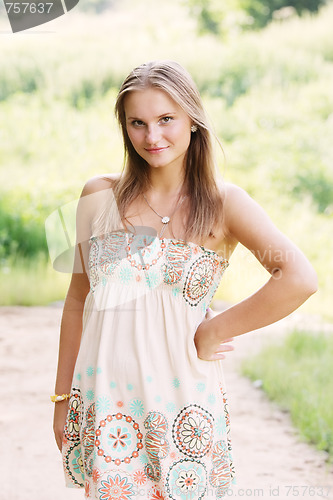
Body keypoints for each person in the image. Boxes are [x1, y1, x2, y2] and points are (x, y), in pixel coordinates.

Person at [52, 60, 317, 499]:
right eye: (137, 123)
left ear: (193, 120)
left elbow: (298, 277)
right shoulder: (97, 195)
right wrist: (62, 400)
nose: (152, 137)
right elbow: (78, 299)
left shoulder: (223, 202)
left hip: (183, 405)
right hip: (107, 406)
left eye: (166, 119)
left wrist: (217, 329)